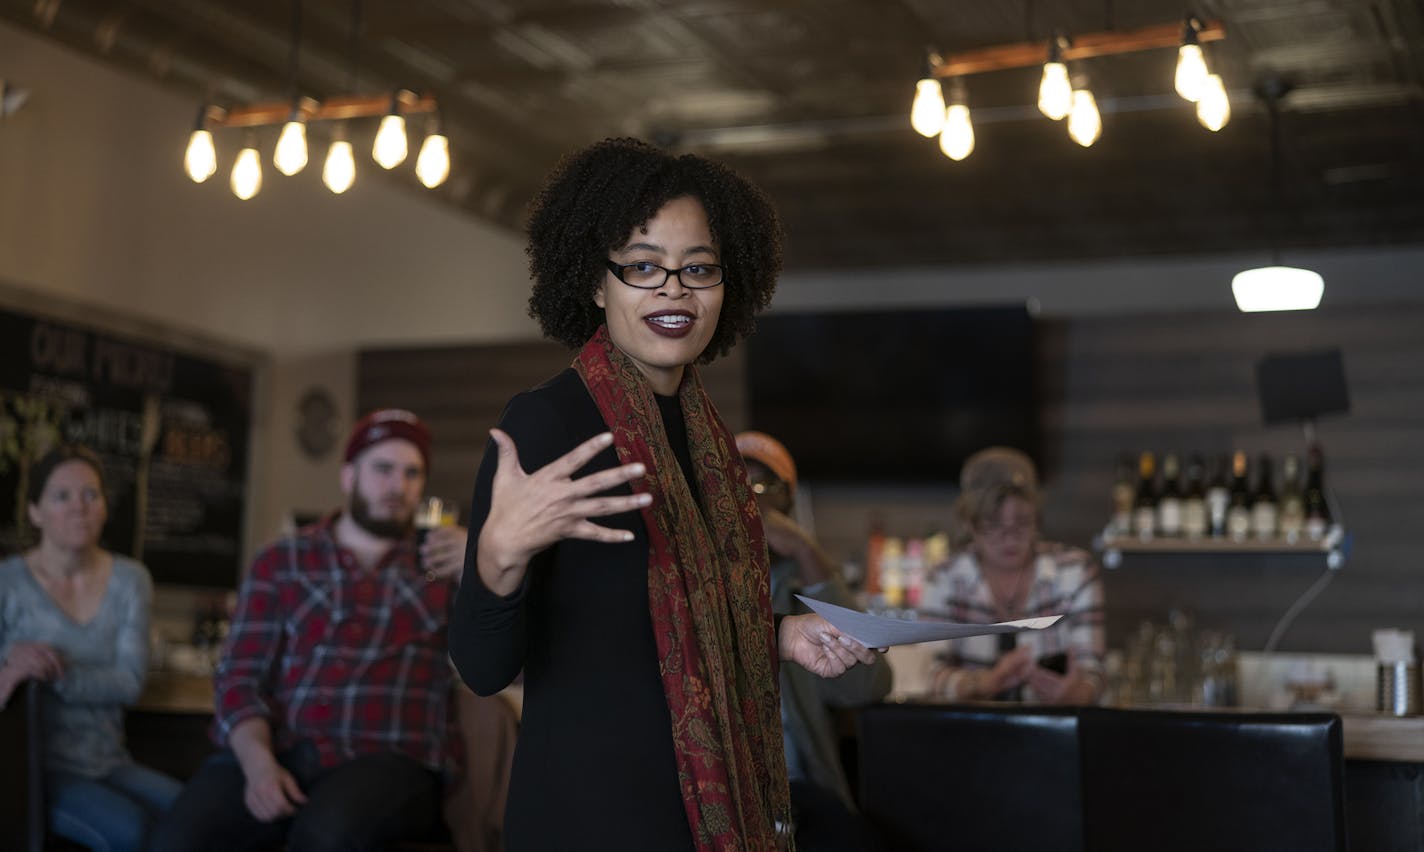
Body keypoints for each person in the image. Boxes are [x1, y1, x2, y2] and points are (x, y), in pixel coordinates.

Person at [449, 137, 879, 852]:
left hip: (707, 821)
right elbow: (484, 669)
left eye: (699, 269)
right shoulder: (548, 422)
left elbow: (661, 625)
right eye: (644, 266)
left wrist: (779, 635)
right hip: (592, 815)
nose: (674, 290)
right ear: (597, 282)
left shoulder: (712, 445)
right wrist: (498, 554)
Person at [150, 409, 469, 852]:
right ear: (347, 476)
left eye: (412, 473)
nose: (398, 486)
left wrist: (485, 564)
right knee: (177, 840)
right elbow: (238, 680)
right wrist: (260, 766)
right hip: (283, 749)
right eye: (383, 469)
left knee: (325, 836)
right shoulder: (283, 560)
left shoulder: (443, 567)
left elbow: (510, 665)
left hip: (393, 758)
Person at [0, 444, 182, 852]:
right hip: (34, 771)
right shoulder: (7, 583)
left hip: (109, 761)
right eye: (61, 496)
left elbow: (130, 682)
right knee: (132, 831)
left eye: (91, 494)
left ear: (103, 507)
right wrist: (11, 668)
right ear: (34, 512)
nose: (79, 506)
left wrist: (53, 672)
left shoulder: (131, 579)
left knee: (196, 817)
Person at [735, 430, 891, 852]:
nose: (750, 496)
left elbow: (867, 686)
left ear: (785, 503)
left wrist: (807, 552)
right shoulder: (701, 578)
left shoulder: (799, 580)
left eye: (764, 486)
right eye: (736, 481)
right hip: (732, 787)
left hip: (801, 788)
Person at [927, 447, 1105, 704]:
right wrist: (981, 684)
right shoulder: (944, 576)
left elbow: (1094, 672)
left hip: (1053, 730)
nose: (1010, 538)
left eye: (1023, 523)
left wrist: (1076, 693)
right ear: (969, 524)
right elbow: (928, 671)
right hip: (967, 732)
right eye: (994, 525)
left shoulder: (1075, 571)